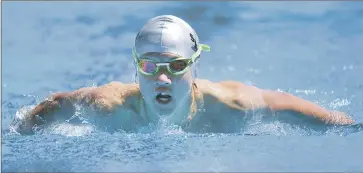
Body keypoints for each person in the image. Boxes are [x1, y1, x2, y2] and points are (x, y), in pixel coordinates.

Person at [12, 15, 355, 134]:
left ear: (194, 68)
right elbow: (57, 104)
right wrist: (20, 130)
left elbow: (284, 105)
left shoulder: (229, 106)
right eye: (149, 67)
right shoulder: (107, 106)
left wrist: (351, 126)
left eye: (176, 66)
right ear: (136, 69)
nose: (162, 79)